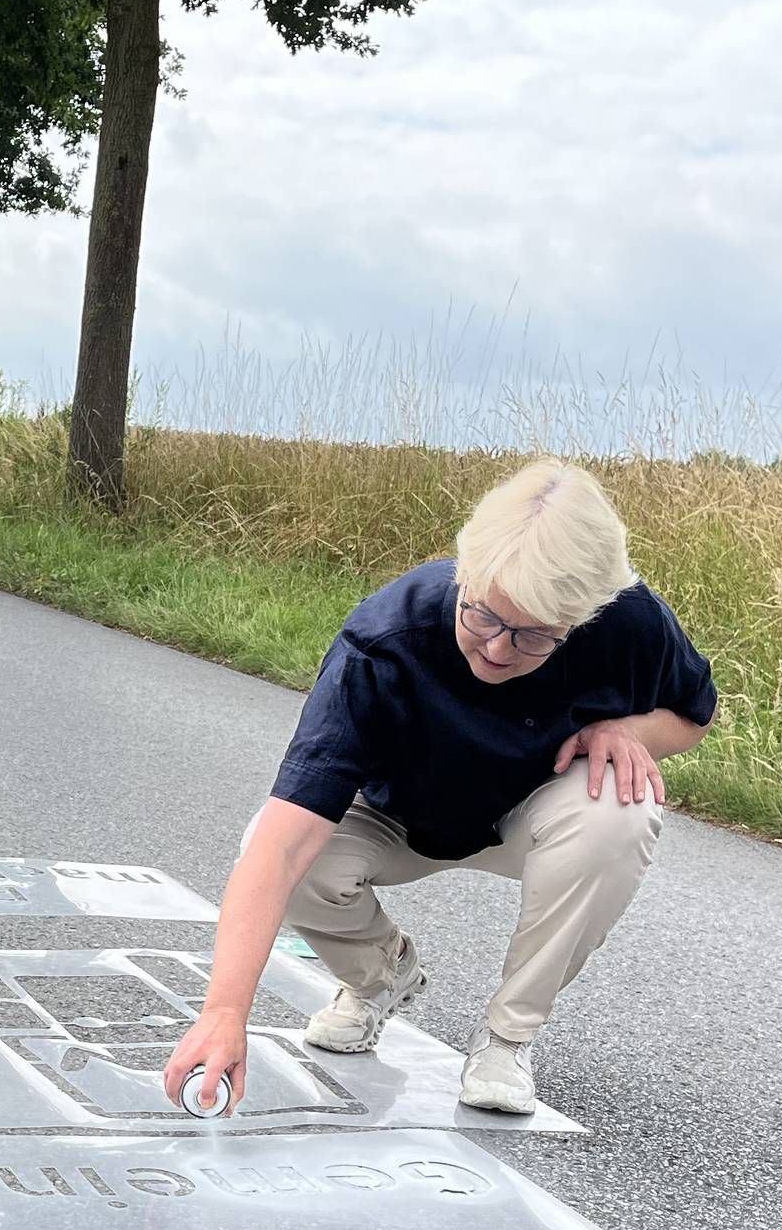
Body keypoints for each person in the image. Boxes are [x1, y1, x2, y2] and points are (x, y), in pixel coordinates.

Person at [162, 459, 715, 1115]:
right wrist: (225, 1012)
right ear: (464, 572)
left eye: (534, 635)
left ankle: (506, 1040)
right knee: (281, 847)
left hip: (527, 812)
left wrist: (629, 730)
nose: (500, 649)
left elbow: (692, 715)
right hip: (395, 814)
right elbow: (281, 845)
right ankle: (379, 976)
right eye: (483, 616)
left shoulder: (630, 622)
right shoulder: (384, 642)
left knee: (624, 808)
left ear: (581, 619)